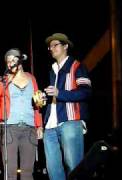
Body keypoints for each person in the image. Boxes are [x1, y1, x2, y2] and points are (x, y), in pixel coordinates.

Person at [0, 48, 43, 180]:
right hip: (9, 129)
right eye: (8, 61)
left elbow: (37, 103)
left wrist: (39, 125)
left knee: (28, 171)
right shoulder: (2, 80)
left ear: (20, 60)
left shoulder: (32, 78)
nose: (10, 63)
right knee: (10, 172)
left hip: (29, 128)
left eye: (13, 60)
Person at [43, 33, 92, 180]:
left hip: (70, 121)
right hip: (50, 126)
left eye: (55, 45)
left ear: (65, 46)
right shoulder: (53, 70)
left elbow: (86, 92)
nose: (51, 48)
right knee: (53, 171)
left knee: (74, 167)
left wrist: (59, 93)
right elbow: (56, 96)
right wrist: (45, 98)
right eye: (50, 46)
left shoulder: (77, 66)